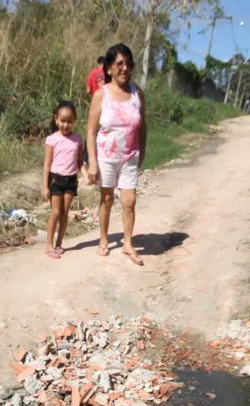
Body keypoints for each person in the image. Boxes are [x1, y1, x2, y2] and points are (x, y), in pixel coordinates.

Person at [86, 43, 146, 266]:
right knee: (107, 199)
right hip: (106, 157)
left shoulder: (137, 94)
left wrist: (142, 152)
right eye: (120, 63)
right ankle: (104, 239)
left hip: (130, 156)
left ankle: (128, 244)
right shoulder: (101, 95)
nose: (125, 68)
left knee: (129, 201)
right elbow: (91, 131)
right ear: (109, 68)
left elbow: (143, 126)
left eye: (128, 64)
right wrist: (92, 162)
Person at [41, 101, 83, 259]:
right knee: (56, 213)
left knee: (65, 213)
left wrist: (87, 174)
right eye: (63, 121)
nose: (66, 125)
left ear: (74, 121)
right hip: (55, 180)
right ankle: (49, 245)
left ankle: (59, 243)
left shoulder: (78, 139)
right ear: (56, 119)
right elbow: (47, 164)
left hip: (71, 180)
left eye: (69, 121)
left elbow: (80, 162)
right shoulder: (52, 139)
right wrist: (45, 186)